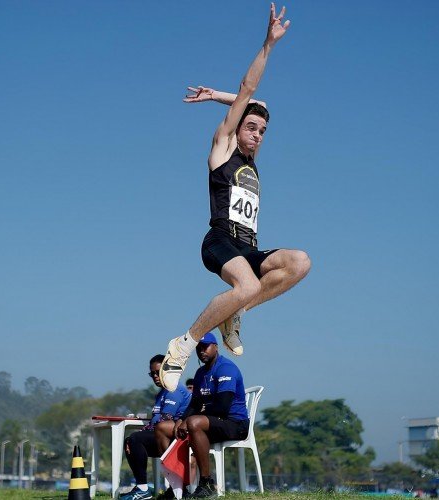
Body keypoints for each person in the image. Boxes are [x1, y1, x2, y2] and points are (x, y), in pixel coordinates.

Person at [160, 2, 310, 392]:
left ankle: (235, 313)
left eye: (263, 130)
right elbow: (250, 92)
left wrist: (219, 95)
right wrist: (268, 45)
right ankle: (184, 343)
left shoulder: (253, 157)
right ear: (236, 128)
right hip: (220, 241)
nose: (258, 134)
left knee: (299, 262)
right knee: (245, 284)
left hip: (249, 247)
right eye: (251, 127)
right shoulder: (223, 149)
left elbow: (261, 106)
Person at [157, 333, 249, 498]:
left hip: (235, 423)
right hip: (209, 423)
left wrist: (189, 420)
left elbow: (222, 408)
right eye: (198, 348)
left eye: (205, 346)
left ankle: (207, 483)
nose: (201, 351)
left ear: (216, 347)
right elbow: (195, 404)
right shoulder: (200, 373)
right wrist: (180, 420)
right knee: (163, 428)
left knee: (193, 423)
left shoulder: (226, 368)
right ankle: (177, 487)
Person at [120, 355, 192, 500]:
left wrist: (143, 431)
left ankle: (143, 489)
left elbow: (166, 419)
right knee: (130, 441)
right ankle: (142, 487)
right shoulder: (162, 393)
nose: (154, 376)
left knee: (135, 439)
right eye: (151, 373)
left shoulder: (174, 389)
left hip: (176, 436)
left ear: (167, 371)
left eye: (157, 372)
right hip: (161, 435)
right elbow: (157, 419)